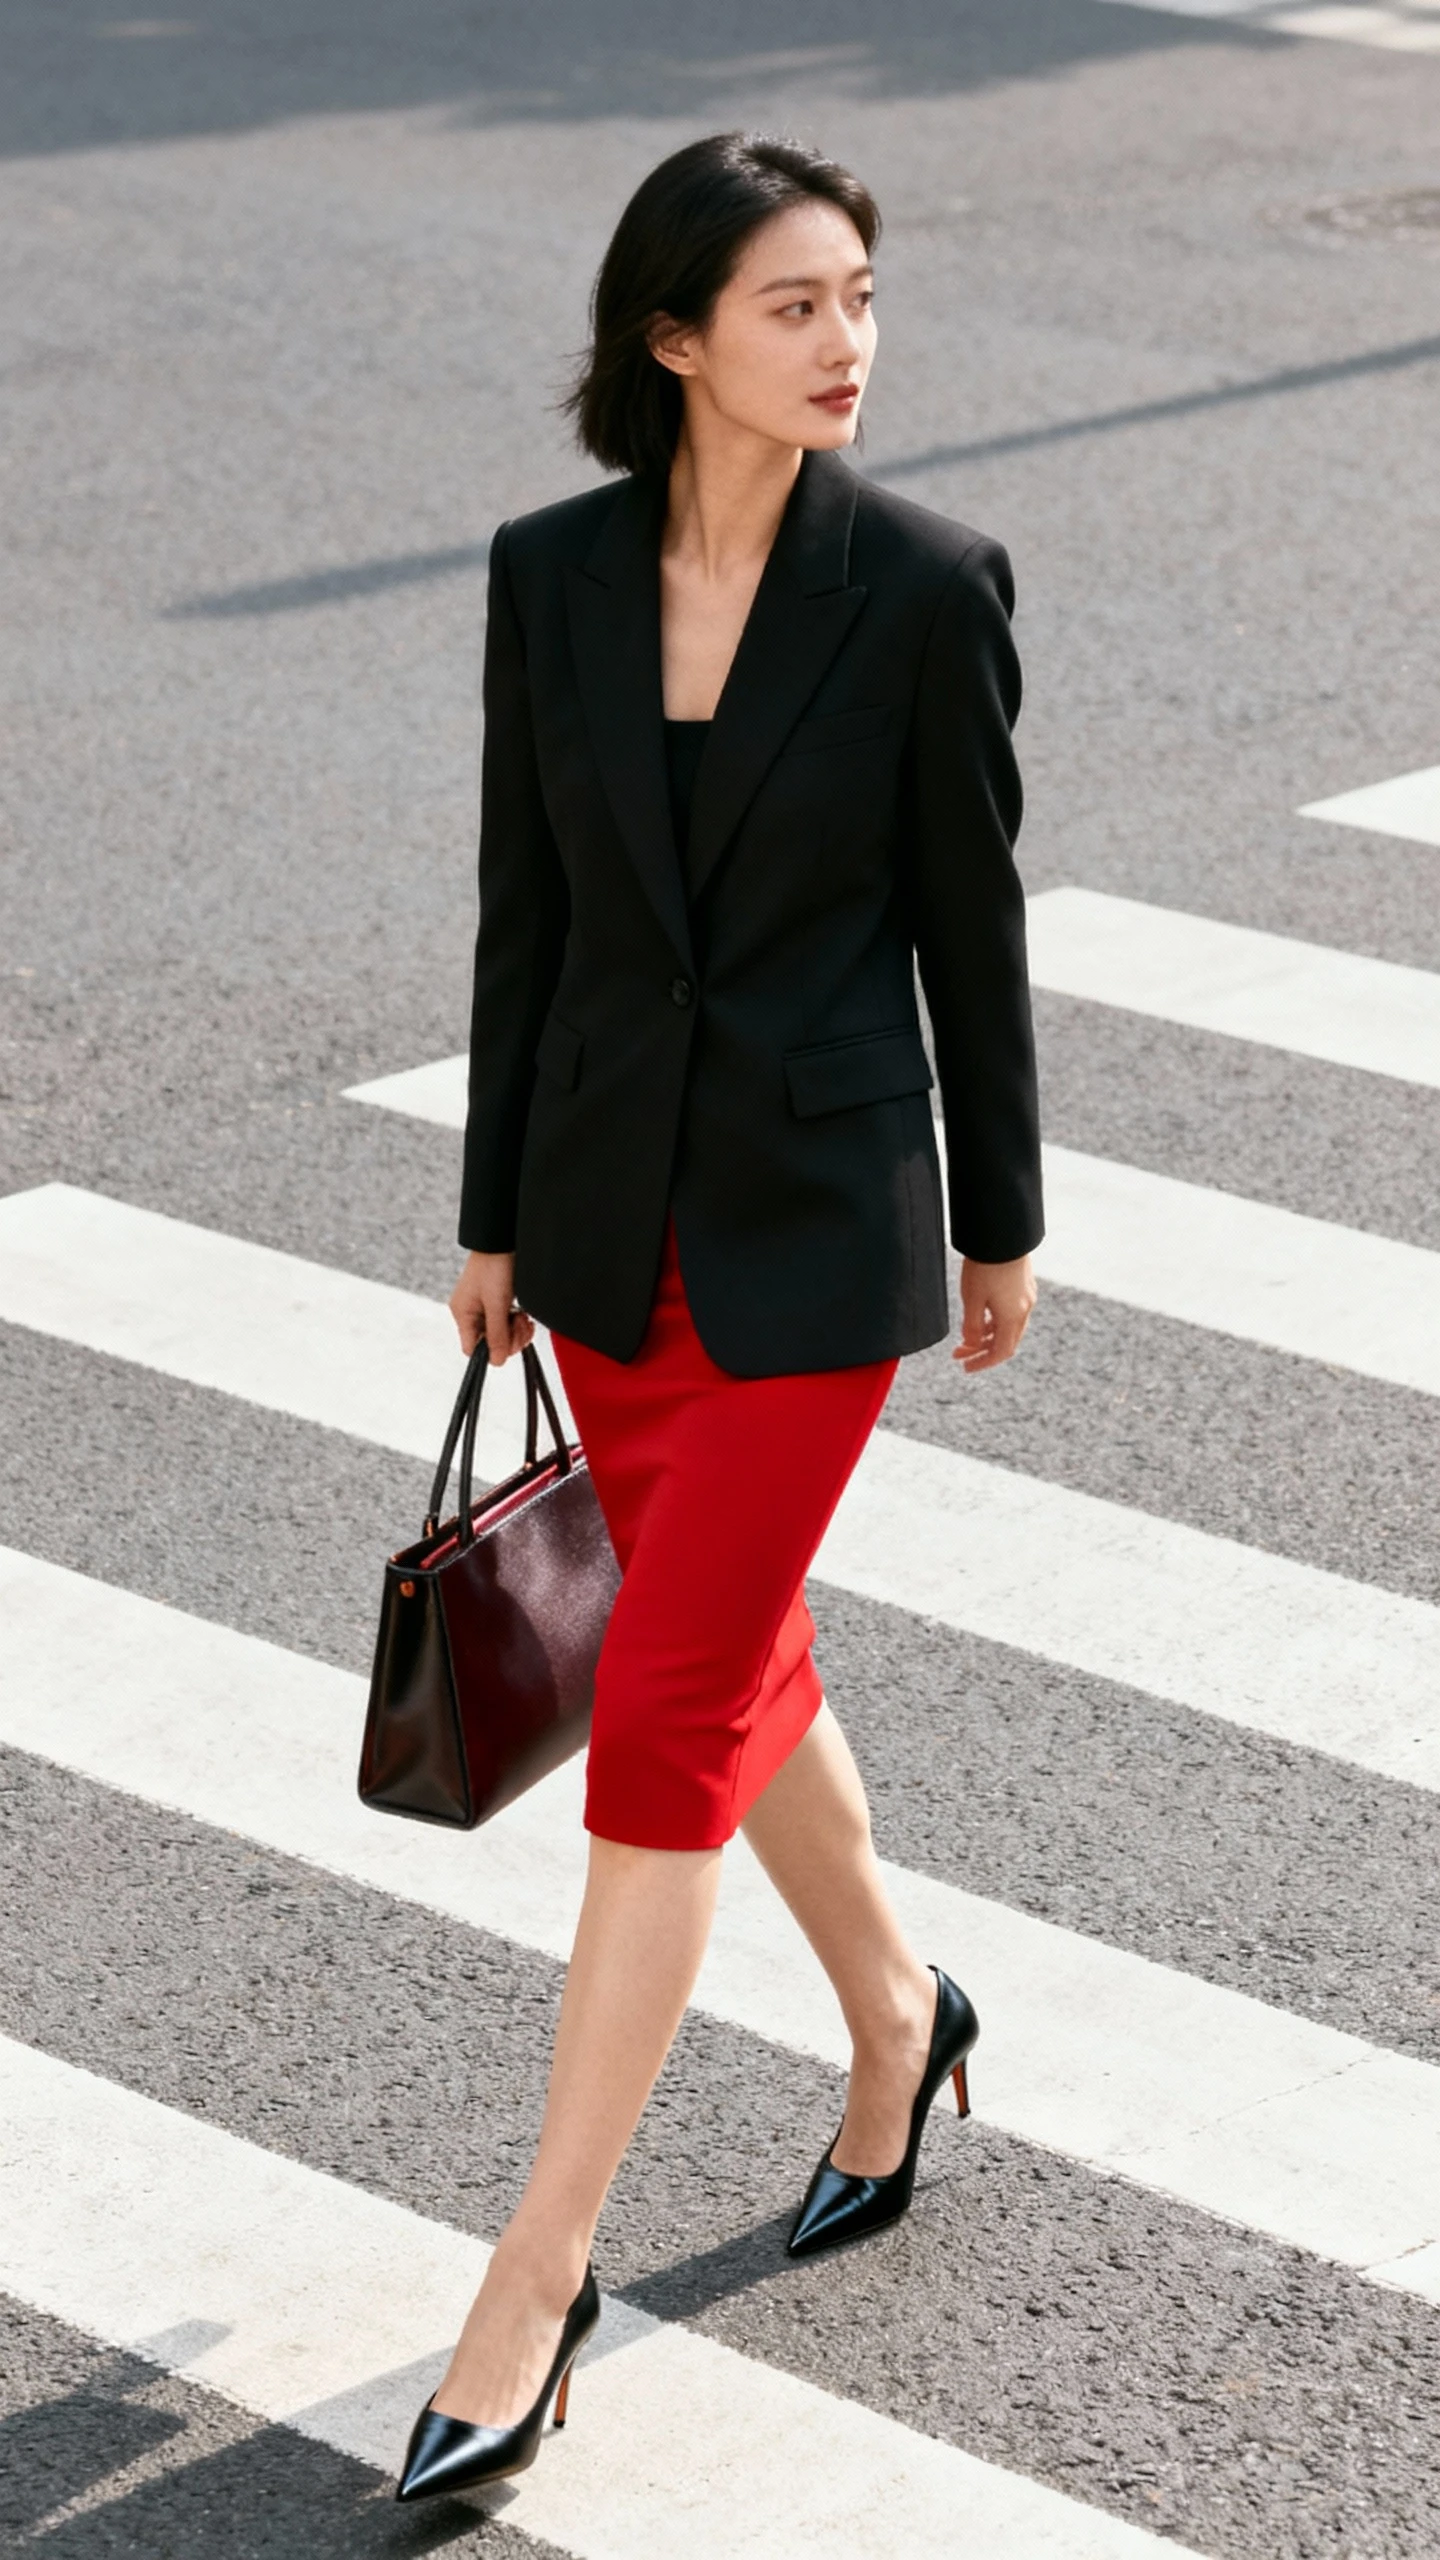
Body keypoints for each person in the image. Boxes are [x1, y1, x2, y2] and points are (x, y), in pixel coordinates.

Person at [396, 130, 1042, 2505]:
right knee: (729, 1652)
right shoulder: (550, 577)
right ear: (671, 338)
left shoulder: (924, 585)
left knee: (668, 1713)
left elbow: (972, 921)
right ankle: (899, 2005)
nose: (848, 340)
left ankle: (531, 2273)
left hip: (817, 1241)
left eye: (861, 295)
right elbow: (525, 914)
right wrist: (490, 1215)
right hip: (605, 1231)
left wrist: (1001, 1215)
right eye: (791, 305)